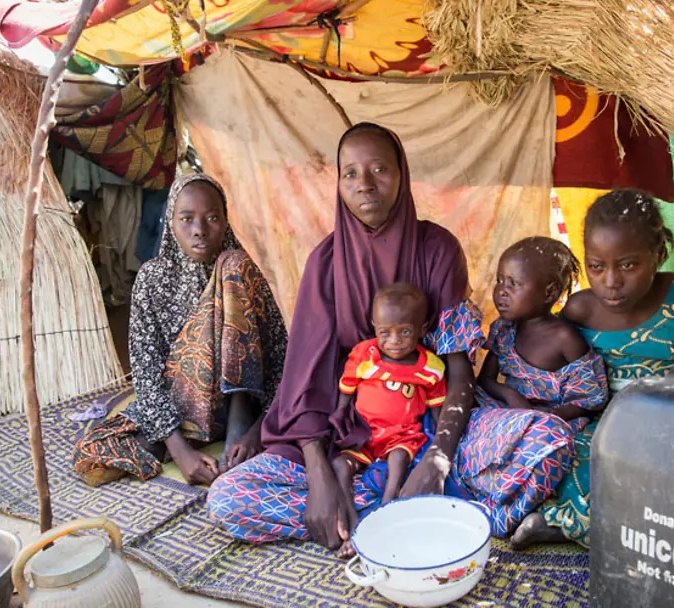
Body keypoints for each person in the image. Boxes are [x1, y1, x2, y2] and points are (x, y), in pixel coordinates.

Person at [207, 123, 576, 549]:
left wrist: (438, 457)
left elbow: (459, 371)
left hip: (433, 423)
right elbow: (306, 381)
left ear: (402, 173)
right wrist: (320, 476)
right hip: (344, 433)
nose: (364, 184)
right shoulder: (325, 263)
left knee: (551, 438)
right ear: (339, 184)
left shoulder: (437, 249)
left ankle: (381, 508)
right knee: (228, 498)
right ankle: (412, 511)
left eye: (379, 169)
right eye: (350, 173)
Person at [512, 189, 674, 550]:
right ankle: (596, 524)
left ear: (658, 253)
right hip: (609, 424)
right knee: (567, 455)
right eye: (597, 267)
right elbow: (566, 378)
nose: (611, 281)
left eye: (628, 265)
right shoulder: (579, 311)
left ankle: (572, 524)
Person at [73, 173, 288, 487]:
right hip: (186, 408)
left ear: (225, 222)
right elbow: (146, 373)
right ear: (170, 223)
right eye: (186, 218)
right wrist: (181, 451)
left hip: (243, 407)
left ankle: (238, 429)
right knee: (92, 454)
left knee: (234, 262)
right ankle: (186, 443)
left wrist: (258, 431)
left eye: (212, 218)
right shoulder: (152, 278)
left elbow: (281, 358)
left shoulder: (242, 271)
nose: (199, 230)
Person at [331, 283, 446, 555]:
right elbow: (348, 385)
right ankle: (350, 514)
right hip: (364, 434)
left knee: (399, 459)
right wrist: (340, 412)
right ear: (374, 327)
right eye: (385, 332)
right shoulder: (364, 355)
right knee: (340, 464)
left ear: (422, 328)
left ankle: (388, 505)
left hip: (401, 435)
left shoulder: (430, 367)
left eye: (404, 332)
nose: (394, 340)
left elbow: (437, 407)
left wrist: (440, 440)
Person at [477, 237, 608, 429]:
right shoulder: (504, 330)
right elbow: (485, 380)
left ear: (549, 293)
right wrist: (510, 395)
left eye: (514, 283)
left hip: (552, 419)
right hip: (511, 410)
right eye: (500, 280)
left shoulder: (564, 338)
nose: (502, 291)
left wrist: (548, 415)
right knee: (470, 407)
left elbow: (590, 399)